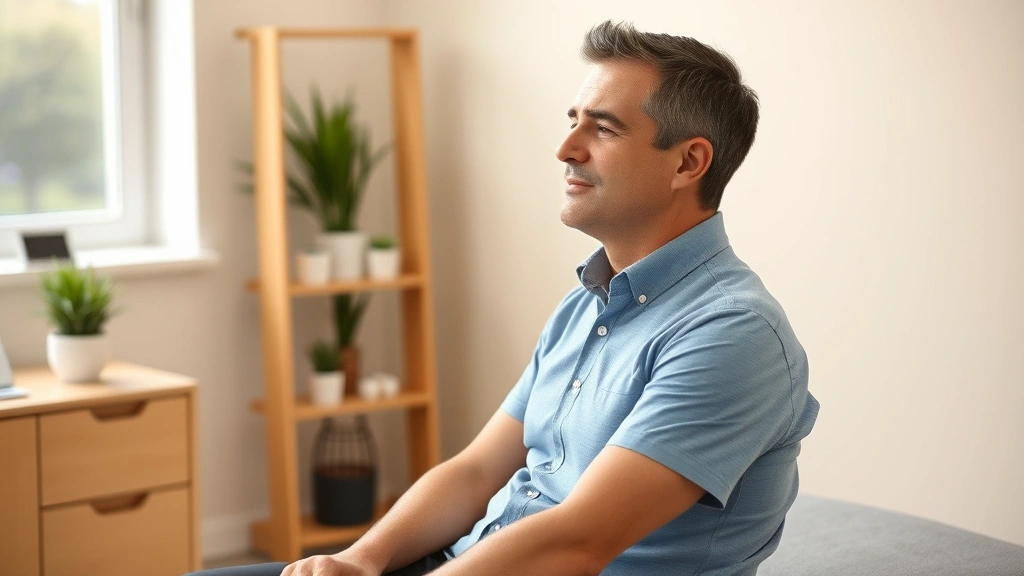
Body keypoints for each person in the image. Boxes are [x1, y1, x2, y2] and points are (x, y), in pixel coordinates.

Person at [190, 20, 818, 576]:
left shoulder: (733, 335)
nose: (566, 149)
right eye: (573, 122)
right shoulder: (587, 306)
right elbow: (473, 473)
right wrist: (361, 559)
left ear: (689, 163)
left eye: (603, 128)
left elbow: (579, 543)